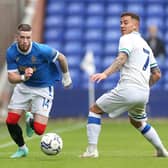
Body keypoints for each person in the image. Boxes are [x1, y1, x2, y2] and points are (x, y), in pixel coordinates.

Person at [80, 12, 168, 158]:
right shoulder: (146, 46)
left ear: (135, 26)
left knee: (95, 110)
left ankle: (91, 150)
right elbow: (157, 74)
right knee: (137, 121)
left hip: (129, 88)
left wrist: (105, 74)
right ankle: (161, 150)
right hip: (144, 93)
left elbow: (121, 58)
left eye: (126, 22)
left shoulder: (126, 38)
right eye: (121, 22)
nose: (122, 25)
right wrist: (145, 86)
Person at [6, 23, 72, 158]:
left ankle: (30, 120)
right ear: (16, 37)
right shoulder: (11, 52)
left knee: (40, 130)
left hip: (43, 88)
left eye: (28, 37)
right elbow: (11, 78)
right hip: (24, 87)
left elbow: (61, 58)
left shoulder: (42, 50)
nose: (25, 41)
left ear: (32, 37)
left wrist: (66, 77)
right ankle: (22, 148)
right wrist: (24, 77)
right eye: (22, 37)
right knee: (11, 120)